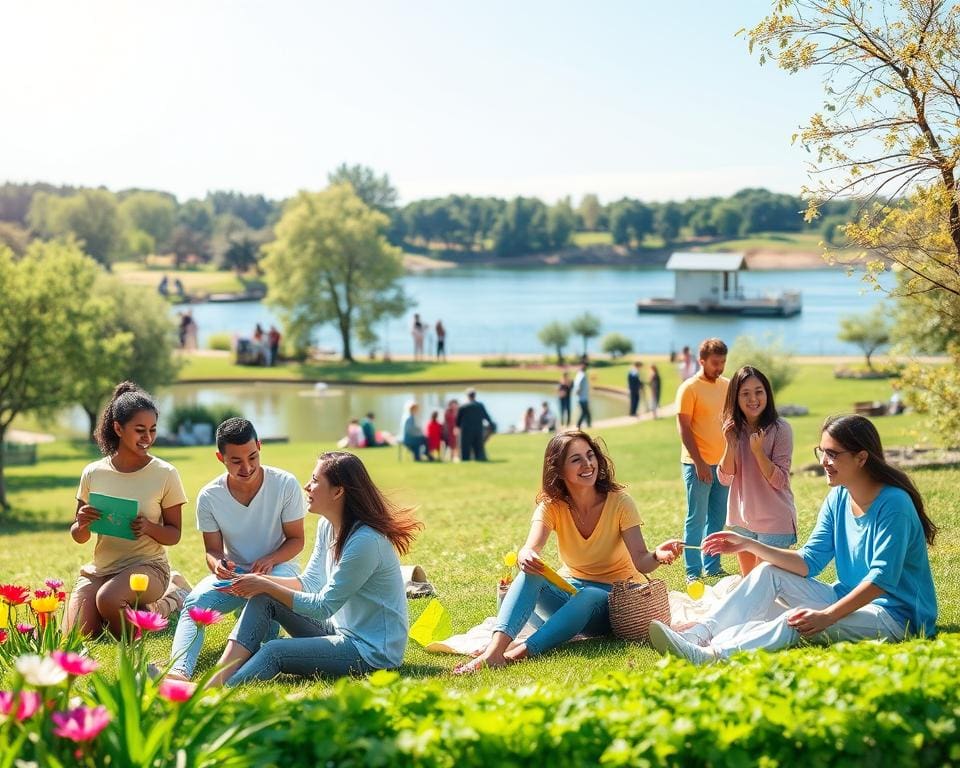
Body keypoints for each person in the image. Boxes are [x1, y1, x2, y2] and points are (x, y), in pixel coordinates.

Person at [649, 414, 939, 665]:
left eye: (833, 454)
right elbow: (809, 561)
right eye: (822, 452)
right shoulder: (838, 497)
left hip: (897, 618)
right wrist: (749, 544)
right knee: (767, 571)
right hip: (846, 597)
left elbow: (881, 580)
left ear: (862, 458)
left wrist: (827, 616)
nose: (824, 461)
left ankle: (712, 655)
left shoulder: (895, 504)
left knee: (799, 618)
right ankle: (698, 634)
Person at [454, 431, 684, 673]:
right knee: (532, 573)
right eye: (576, 459)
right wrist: (526, 556)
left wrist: (657, 555)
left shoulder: (620, 503)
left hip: (614, 604)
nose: (588, 464)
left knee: (590, 594)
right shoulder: (551, 507)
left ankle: (516, 655)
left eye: (590, 455)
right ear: (559, 470)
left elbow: (642, 562)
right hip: (571, 593)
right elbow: (530, 548)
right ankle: (494, 652)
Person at [207, 451, 423, 686]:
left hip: (372, 653)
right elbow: (309, 582)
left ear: (338, 491)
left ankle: (216, 693)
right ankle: (216, 679)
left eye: (315, 480)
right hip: (341, 631)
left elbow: (323, 606)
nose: (307, 486)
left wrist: (264, 583)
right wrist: (255, 583)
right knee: (263, 599)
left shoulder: (365, 542)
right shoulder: (327, 526)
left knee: (275, 651)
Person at [166, 418, 306, 680]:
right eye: (236, 461)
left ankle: (252, 644)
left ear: (260, 446)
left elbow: (296, 539)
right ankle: (179, 672)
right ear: (220, 458)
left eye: (253, 456)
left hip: (276, 570)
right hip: (235, 575)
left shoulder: (285, 484)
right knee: (196, 602)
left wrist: (270, 560)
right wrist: (218, 565)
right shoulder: (209, 496)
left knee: (262, 625)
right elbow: (212, 551)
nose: (247, 467)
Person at [67, 382, 188, 637]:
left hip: (148, 567)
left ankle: (169, 598)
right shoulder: (93, 472)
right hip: (102, 569)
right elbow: (79, 536)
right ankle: (133, 609)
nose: (148, 438)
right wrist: (82, 523)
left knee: (108, 600)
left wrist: (149, 527)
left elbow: (174, 534)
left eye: (153, 430)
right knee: (78, 634)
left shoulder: (165, 474)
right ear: (118, 428)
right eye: (140, 430)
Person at [717, 366, 797, 577]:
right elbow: (724, 478)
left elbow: (780, 481)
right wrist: (730, 444)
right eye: (745, 393)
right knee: (748, 583)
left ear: (767, 394)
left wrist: (758, 452)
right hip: (741, 519)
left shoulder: (781, 429)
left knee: (764, 585)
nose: (753, 399)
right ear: (736, 397)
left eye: (758, 391)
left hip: (774, 521)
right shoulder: (732, 428)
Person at [676, 338, 730, 582]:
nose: (719, 368)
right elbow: (684, 429)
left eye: (723, 362)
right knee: (696, 519)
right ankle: (692, 572)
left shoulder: (727, 386)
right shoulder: (689, 388)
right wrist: (698, 463)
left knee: (717, 519)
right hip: (696, 464)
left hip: (722, 466)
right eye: (715, 363)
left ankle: (712, 566)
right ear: (702, 361)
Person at [456, 388, 496, 461]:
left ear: (467, 396)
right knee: (478, 447)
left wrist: (457, 427)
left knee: (465, 448)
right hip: (477, 429)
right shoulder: (480, 406)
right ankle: (479, 458)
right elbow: (486, 416)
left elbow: (458, 420)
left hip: (466, 431)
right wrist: (491, 425)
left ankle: (465, 459)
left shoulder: (463, 407)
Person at [573, 362, 591, 429]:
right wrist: (578, 391)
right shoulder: (582, 375)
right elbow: (578, 385)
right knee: (584, 412)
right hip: (582, 398)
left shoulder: (579, 374)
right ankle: (578, 425)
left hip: (583, 397)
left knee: (586, 412)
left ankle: (589, 424)